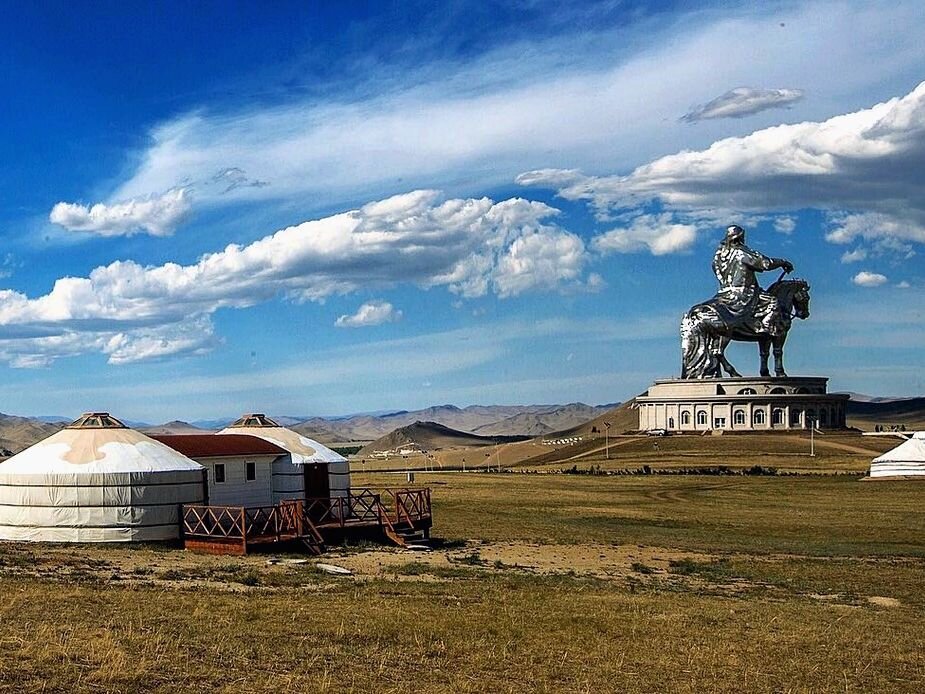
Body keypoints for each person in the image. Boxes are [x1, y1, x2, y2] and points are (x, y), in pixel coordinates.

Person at [706, 225, 794, 336]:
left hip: (724, 293)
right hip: (745, 293)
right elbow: (765, 263)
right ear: (740, 237)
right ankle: (765, 327)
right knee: (773, 302)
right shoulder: (741, 252)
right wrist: (782, 262)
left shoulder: (718, 256)